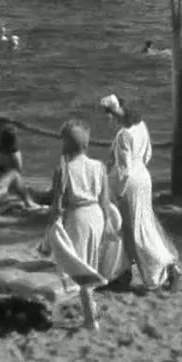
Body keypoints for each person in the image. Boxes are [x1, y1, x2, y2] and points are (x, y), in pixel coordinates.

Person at [100, 94, 182, 291]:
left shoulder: (123, 135)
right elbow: (147, 154)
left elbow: (124, 170)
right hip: (143, 178)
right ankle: (125, 271)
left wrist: (118, 192)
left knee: (134, 232)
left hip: (129, 185)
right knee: (141, 226)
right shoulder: (141, 126)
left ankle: (166, 266)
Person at [50, 119, 115, 330]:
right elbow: (105, 198)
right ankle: (91, 307)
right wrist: (107, 222)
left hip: (78, 217)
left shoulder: (64, 169)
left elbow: (58, 203)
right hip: (96, 215)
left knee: (79, 268)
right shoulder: (99, 166)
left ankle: (89, 319)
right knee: (90, 264)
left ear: (67, 144)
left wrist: (52, 227)